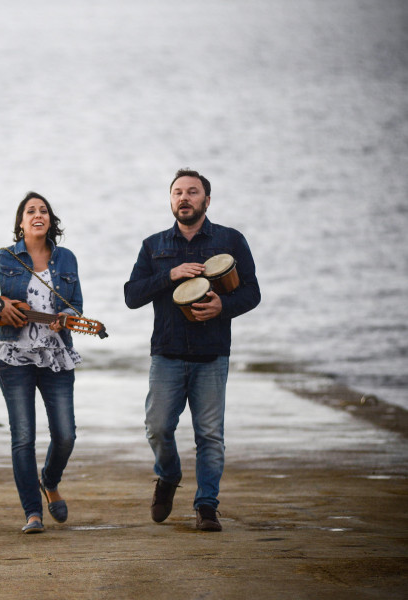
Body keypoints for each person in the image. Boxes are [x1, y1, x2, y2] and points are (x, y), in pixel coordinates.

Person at [124, 168, 260, 532]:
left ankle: (207, 507)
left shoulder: (231, 240)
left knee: (210, 436)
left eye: (192, 192)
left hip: (212, 354)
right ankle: (168, 475)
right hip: (166, 354)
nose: (184, 197)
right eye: (177, 193)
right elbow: (131, 296)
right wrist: (169, 276)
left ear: (207, 200)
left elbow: (252, 292)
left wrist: (223, 307)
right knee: (156, 428)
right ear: (171, 201)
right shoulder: (154, 246)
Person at [0, 192, 81, 534]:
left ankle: (50, 480)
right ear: (21, 223)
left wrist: (67, 316)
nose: (37, 214)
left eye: (43, 210)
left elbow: (76, 306)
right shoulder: (3, 258)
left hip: (56, 356)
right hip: (14, 357)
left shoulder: (67, 259)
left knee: (66, 435)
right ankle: (32, 512)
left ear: (50, 220)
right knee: (23, 437)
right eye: (30, 210)